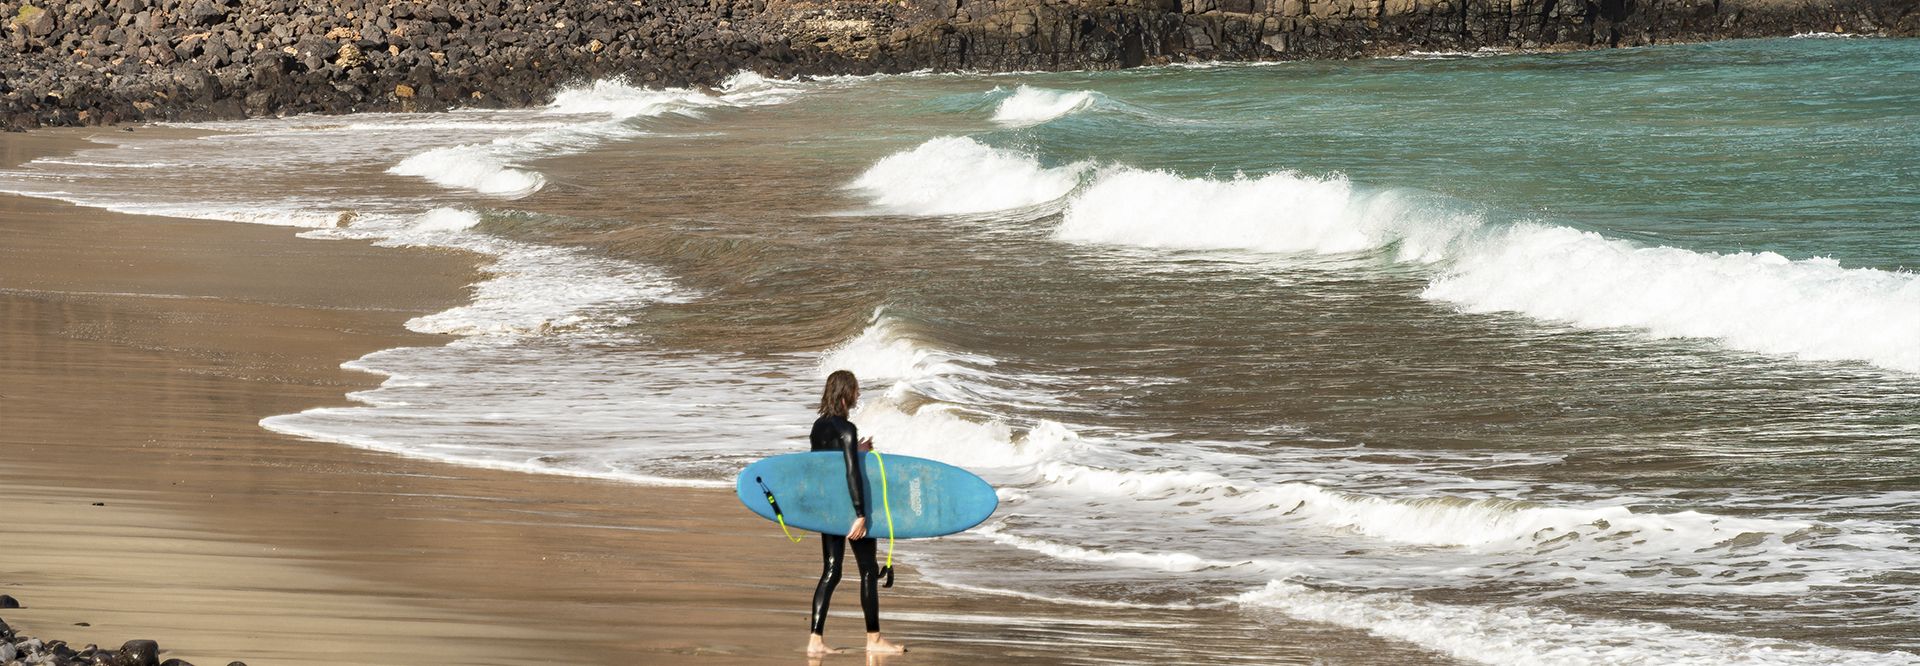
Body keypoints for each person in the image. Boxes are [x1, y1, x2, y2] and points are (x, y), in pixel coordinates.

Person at [807, 370, 907, 656]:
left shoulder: (818, 427)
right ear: (845, 393)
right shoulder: (846, 430)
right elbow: (852, 474)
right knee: (867, 571)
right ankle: (874, 639)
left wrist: (859, 449)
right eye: (855, 390)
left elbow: (826, 469)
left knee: (830, 571)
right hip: (851, 510)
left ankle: (815, 640)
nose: (858, 395)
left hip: (829, 510)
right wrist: (861, 514)